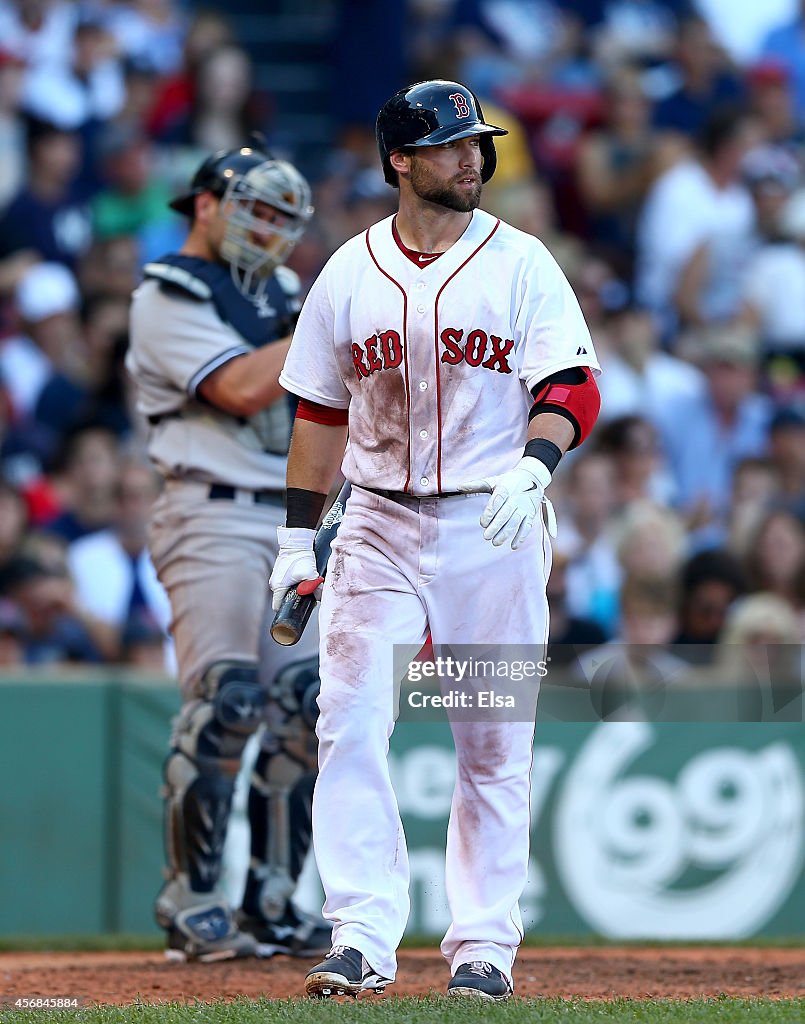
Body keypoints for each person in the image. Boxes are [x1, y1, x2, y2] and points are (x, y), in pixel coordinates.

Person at [268, 79, 601, 1000]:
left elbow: (572, 386)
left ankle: (483, 948)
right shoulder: (349, 269)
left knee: (490, 740)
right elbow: (319, 411)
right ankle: (360, 937)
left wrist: (536, 463)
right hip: (374, 520)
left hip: (488, 523)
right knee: (349, 721)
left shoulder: (522, 261)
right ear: (399, 163)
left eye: (477, 144)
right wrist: (298, 539)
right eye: (452, 146)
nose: (472, 158)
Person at [126, 139, 330, 962]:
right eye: (256, 209)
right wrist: (327, 320)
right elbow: (240, 387)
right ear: (205, 204)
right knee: (227, 705)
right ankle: (194, 902)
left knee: (313, 709)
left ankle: (273, 902)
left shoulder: (282, 291)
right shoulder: (165, 292)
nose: (271, 229)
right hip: (208, 509)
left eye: (285, 216)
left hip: (292, 517)